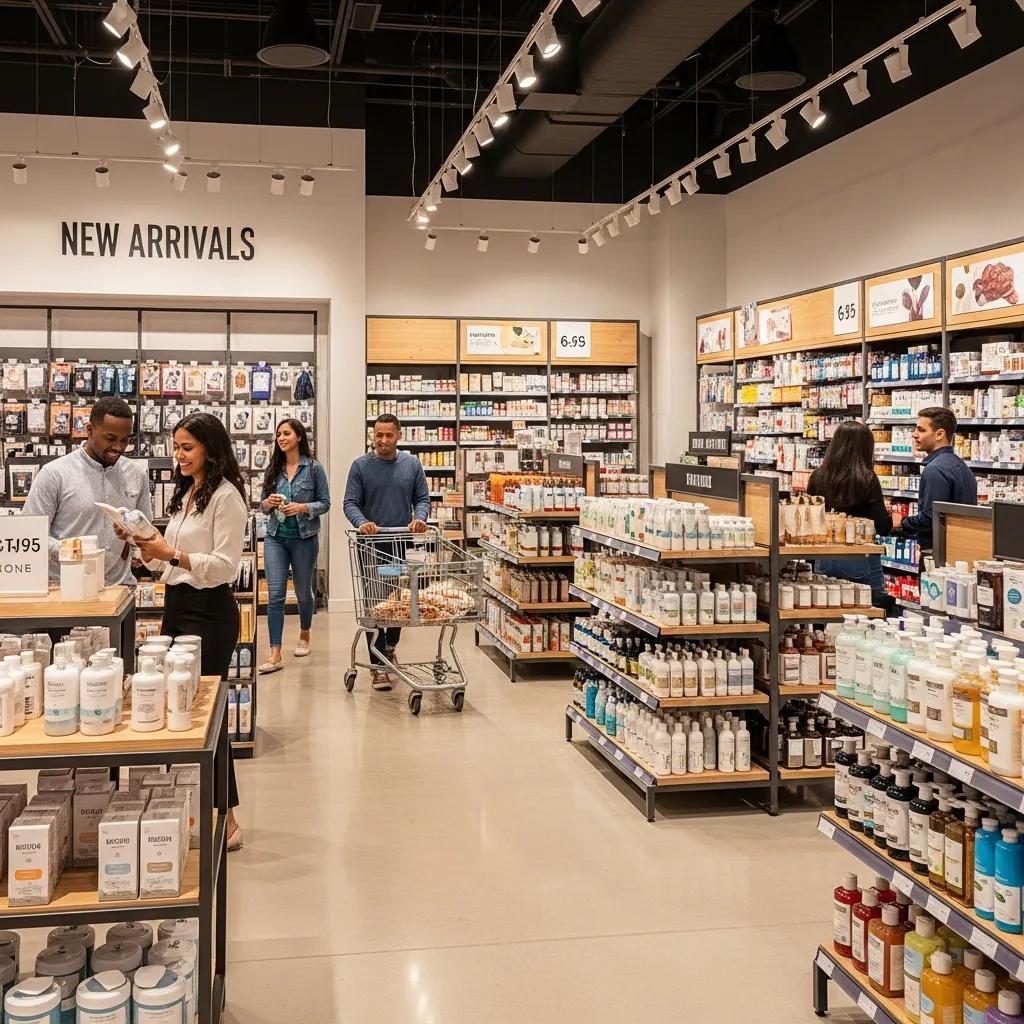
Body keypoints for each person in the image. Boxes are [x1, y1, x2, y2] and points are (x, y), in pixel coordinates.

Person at [135, 412, 249, 852]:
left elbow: (224, 567)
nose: (177, 455)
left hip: (210, 614)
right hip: (178, 608)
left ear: (210, 449)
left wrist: (173, 553)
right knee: (179, 709)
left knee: (208, 717)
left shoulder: (227, 498)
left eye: (187, 447)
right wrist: (144, 548)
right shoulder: (188, 494)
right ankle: (188, 812)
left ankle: (230, 817)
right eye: (176, 446)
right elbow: (168, 565)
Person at [24, 397, 152, 586]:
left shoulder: (137, 474)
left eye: (125, 440)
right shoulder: (54, 474)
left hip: (120, 589)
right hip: (66, 590)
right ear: (90, 430)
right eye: (110, 439)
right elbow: (30, 533)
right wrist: (70, 550)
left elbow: (145, 530)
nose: (118, 447)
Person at [343, 413, 430, 691]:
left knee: (399, 601)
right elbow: (350, 503)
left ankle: (390, 645)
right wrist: (362, 522)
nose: (383, 440)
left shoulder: (411, 464)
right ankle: (378, 666)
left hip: (401, 546)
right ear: (373, 435)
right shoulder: (360, 466)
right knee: (375, 604)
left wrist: (421, 518)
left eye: (388, 435)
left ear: (398, 436)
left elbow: (422, 499)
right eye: (378, 435)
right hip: (371, 547)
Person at [258, 418, 331, 673]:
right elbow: (261, 505)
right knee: (275, 595)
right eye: (278, 434)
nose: (281, 438)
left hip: (304, 539)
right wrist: (270, 502)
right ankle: (275, 653)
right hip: (275, 537)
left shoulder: (313, 468)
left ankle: (305, 634)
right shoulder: (273, 468)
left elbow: (325, 502)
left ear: (299, 436)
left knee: (303, 593)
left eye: (286, 433)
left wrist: (302, 507)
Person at [806, 420, 894, 610]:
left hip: (825, 557)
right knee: (866, 613)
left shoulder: (817, 476)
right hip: (859, 558)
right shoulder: (867, 479)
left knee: (826, 612)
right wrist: (893, 520)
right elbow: (881, 526)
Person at [897, 406, 978, 548]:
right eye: (915, 429)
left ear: (939, 434)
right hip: (961, 546)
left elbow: (931, 518)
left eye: (921, 430)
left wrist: (902, 523)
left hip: (938, 550)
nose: (914, 434)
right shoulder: (961, 465)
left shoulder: (935, 469)